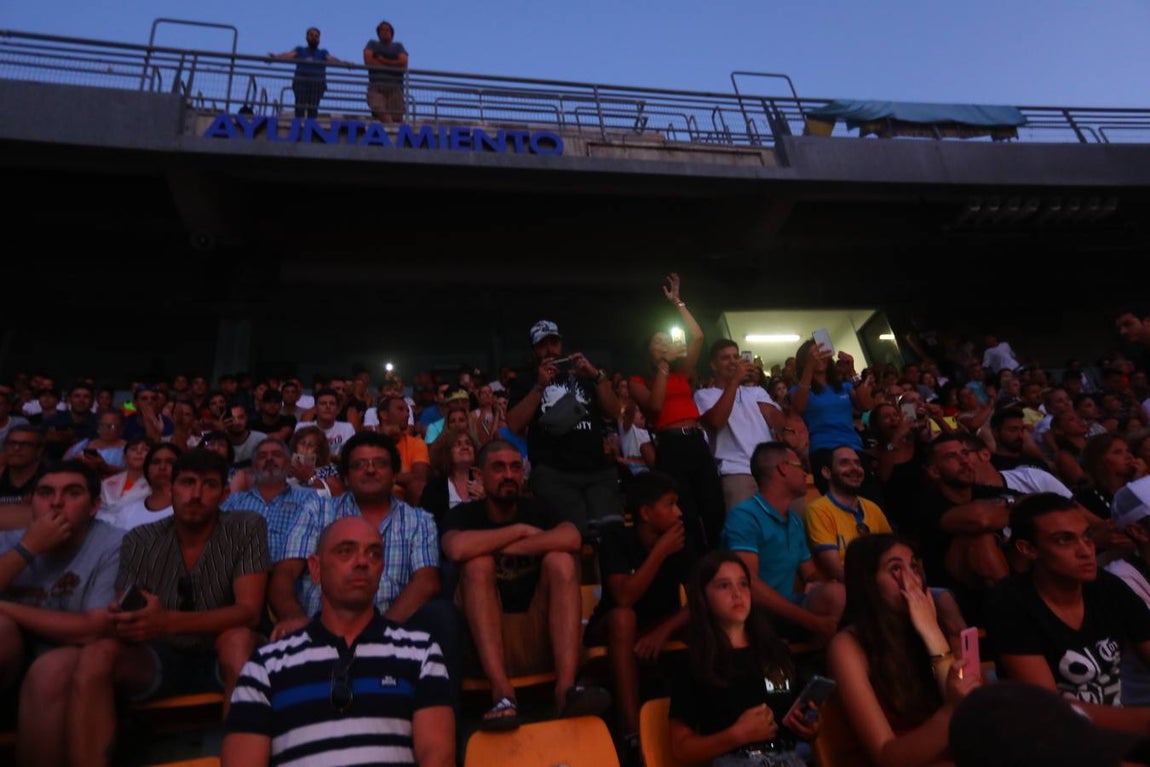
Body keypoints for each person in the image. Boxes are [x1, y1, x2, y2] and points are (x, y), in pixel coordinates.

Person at [62, 448, 270, 765]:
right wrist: (131, 619)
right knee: (95, 655)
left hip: (222, 654)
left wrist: (166, 621)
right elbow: (130, 613)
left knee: (237, 639)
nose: (196, 494)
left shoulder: (246, 527)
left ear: (225, 494)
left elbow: (249, 611)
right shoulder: (140, 540)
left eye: (209, 485)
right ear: (170, 488)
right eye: (187, 483)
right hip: (159, 657)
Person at [222, 516, 455, 767]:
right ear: (315, 568)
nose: (363, 562)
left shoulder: (420, 653)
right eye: (346, 551)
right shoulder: (265, 667)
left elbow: (438, 758)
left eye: (374, 554)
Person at [440, 439, 611, 730]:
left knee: (560, 561)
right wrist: (518, 531)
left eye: (515, 467)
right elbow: (456, 549)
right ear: (479, 476)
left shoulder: (540, 509)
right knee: (477, 565)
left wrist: (498, 546)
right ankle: (502, 693)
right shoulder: (463, 515)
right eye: (498, 468)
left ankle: (566, 689)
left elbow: (571, 539)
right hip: (482, 641)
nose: (509, 475)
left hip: (538, 631)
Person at [985, 492, 1150, 734]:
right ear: (1028, 549)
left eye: (1087, 537)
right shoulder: (1010, 602)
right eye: (1064, 540)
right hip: (1052, 741)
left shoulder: (1105, 586)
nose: (1085, 551)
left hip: (1116, 732)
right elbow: (1049, 708)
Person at [0, 461, 124, 765]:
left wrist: (4, 606)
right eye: (45, 493)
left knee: (52, 668)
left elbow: (92, 629)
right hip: (11, 659)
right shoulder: (14, 541)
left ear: (95, 506)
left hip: (72, 656)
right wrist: (28, 547)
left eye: (72, 493)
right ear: (32, 503)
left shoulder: (114, 543)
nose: (56, 502)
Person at [827, 534, 976, 767]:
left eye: (914, 567)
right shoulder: (847, 645)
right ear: (869, 582)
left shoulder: (938, 630)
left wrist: (933, 634)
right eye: (895, 568)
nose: (912, 579)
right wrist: (950, 713)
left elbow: (977, 719)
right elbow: (886, 757)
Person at [668, 550, 822, 767]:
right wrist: (736, 735)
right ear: (703, 596)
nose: (737, 593)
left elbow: (794, 715)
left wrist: (809, 726)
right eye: (724, 585)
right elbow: (680, 749)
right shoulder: (693, 661)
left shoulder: (775, 650)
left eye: (743, 584)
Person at [584, 470, 695, 751]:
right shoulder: (617, 538)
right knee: (624, 618)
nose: (679, 512)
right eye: (670, 504)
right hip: (613, 628)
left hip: (660, 626)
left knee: (713, 613)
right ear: (646, 513)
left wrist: (663, 632)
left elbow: (700, 599)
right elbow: (623, 598)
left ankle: (710, 716)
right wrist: (659, 552)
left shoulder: (680, 538)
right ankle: (631, 733)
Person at [629, 273, 726, 551]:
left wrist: (678, 303)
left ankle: (719, 560)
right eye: (657, 342)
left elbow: (697, 336)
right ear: (648, 351)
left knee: (714, 505)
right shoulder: (638, 380)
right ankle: (693, 569)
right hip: (671, 445)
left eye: (666, 340)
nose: (664, 345)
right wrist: (663, 366)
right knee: (685, 512)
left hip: (696, 439)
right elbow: (656, 406)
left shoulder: (681, 371)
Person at [505, 318, 621, 537]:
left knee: (611, 533)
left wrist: (596, 375)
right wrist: (539, 386)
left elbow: (614, 412)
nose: (550, 349)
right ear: (533, 350)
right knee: (572, 537)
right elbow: (514, 423)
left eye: (554, 343)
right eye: (542, 345)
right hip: (554, 473)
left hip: (596, 470)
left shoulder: (584, 375)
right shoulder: (526, 380)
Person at [720, 441, 844, 646]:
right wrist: (813, 621)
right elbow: (747, 585)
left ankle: (820, 667)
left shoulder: (794, 520)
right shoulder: (745, 517)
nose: (806, 473)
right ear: (783, 468)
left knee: (837, 594)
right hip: (753, 614)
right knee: (837, 597)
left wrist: (821, 583)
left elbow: (809, 573)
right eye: (800, 466)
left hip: (787, 612)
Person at [694, 337, 784, 512]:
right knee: (745, 532)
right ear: (713, 365)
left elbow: (780, 424)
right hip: (736, 472)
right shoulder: (704, 395)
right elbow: (716, 421)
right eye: (725, 358)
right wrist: (735, 381)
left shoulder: (757, 391)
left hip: (770, 471)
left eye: (736, 357)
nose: (733, 362)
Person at [803, 445, 893, 581]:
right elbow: (834, 570)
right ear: (827, 472)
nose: (855, 468)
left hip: (881, 583)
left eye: (857, 463)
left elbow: (892, 552)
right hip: (846, 589)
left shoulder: (872, 508)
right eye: (844, 463)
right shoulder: (818, 510)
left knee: (936, 595)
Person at [790, 339, 875, 456]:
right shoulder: (798, 390)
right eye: (815, 355)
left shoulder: (844, 386)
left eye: (823, 353)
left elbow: (866, 406)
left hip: (853, 446)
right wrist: (809, 367)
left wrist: (852, 371)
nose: (820, 357)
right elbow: (799, 407)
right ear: (804, 361)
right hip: (823, 450)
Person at [268, 27, 345, 119]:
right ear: (307, 37)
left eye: (316, 36)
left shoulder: (322, 52)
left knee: (313, 109)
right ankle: (298, 129)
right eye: (311, 35)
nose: (314, 38)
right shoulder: (300, 50)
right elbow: (289, 55)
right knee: (299, 108)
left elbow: (331, 59)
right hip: (301, 83)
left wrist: (343, 64)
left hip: (317, 85)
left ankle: (310, 129)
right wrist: (276, 58)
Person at [421, 426, 484, 525]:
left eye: (468, 443)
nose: (465, 447)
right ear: (446, 453)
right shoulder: (434, 488)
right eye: (457, 444)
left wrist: (486, 501)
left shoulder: (485, 483)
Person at [112, 441, 180, 530]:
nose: (162, 467)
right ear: (146, 469)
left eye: (170, 462)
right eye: (156, 462)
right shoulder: (128, 512)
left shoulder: (191, 511)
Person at [363, 21, 409, 124]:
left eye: (387, 30)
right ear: (378, 33)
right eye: (382, 30)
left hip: (395, 88)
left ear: (392, 33)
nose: (385, 32)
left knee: (397, 117)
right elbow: (368, 61)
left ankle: (393, 131)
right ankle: (391, 129)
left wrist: (382, 60)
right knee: (377, 107)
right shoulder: (372, 44)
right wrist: (393, 65)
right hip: (376, 87)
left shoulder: (398, 46)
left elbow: (404, 63)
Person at [286, 424, 345, 497]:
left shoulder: (329, 470)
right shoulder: (286, 467)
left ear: (318, 451)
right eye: (302, 443)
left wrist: (309, 478)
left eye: (310, 445)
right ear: (295, 446)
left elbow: (340, 495)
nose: (305, 448)